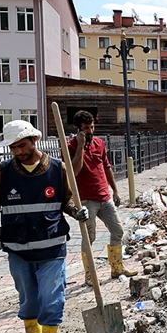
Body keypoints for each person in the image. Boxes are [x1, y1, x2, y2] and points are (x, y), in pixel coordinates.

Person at [0, 120, 88, 333]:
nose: (18, 151)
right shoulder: (2, 172)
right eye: (13, 147)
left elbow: (67, 199)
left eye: (22, 145)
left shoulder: (58, 168)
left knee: (51, 299)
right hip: (17, 249)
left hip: (52, 247)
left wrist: (76, 211)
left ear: (34, 140)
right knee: (28, 300)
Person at [68, 110, 138, 286]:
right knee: (89, 237)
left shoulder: (99, 143)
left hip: (104, 197)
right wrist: (80, 146)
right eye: (86, 128)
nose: (90, 131)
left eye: (92, 127)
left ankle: (117, 267)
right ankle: (90, 275)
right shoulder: (70, 146)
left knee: (118, 231)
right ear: (77, 129)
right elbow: (74, 171)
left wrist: (115, 190)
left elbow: (107, 167)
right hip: (86, 200)